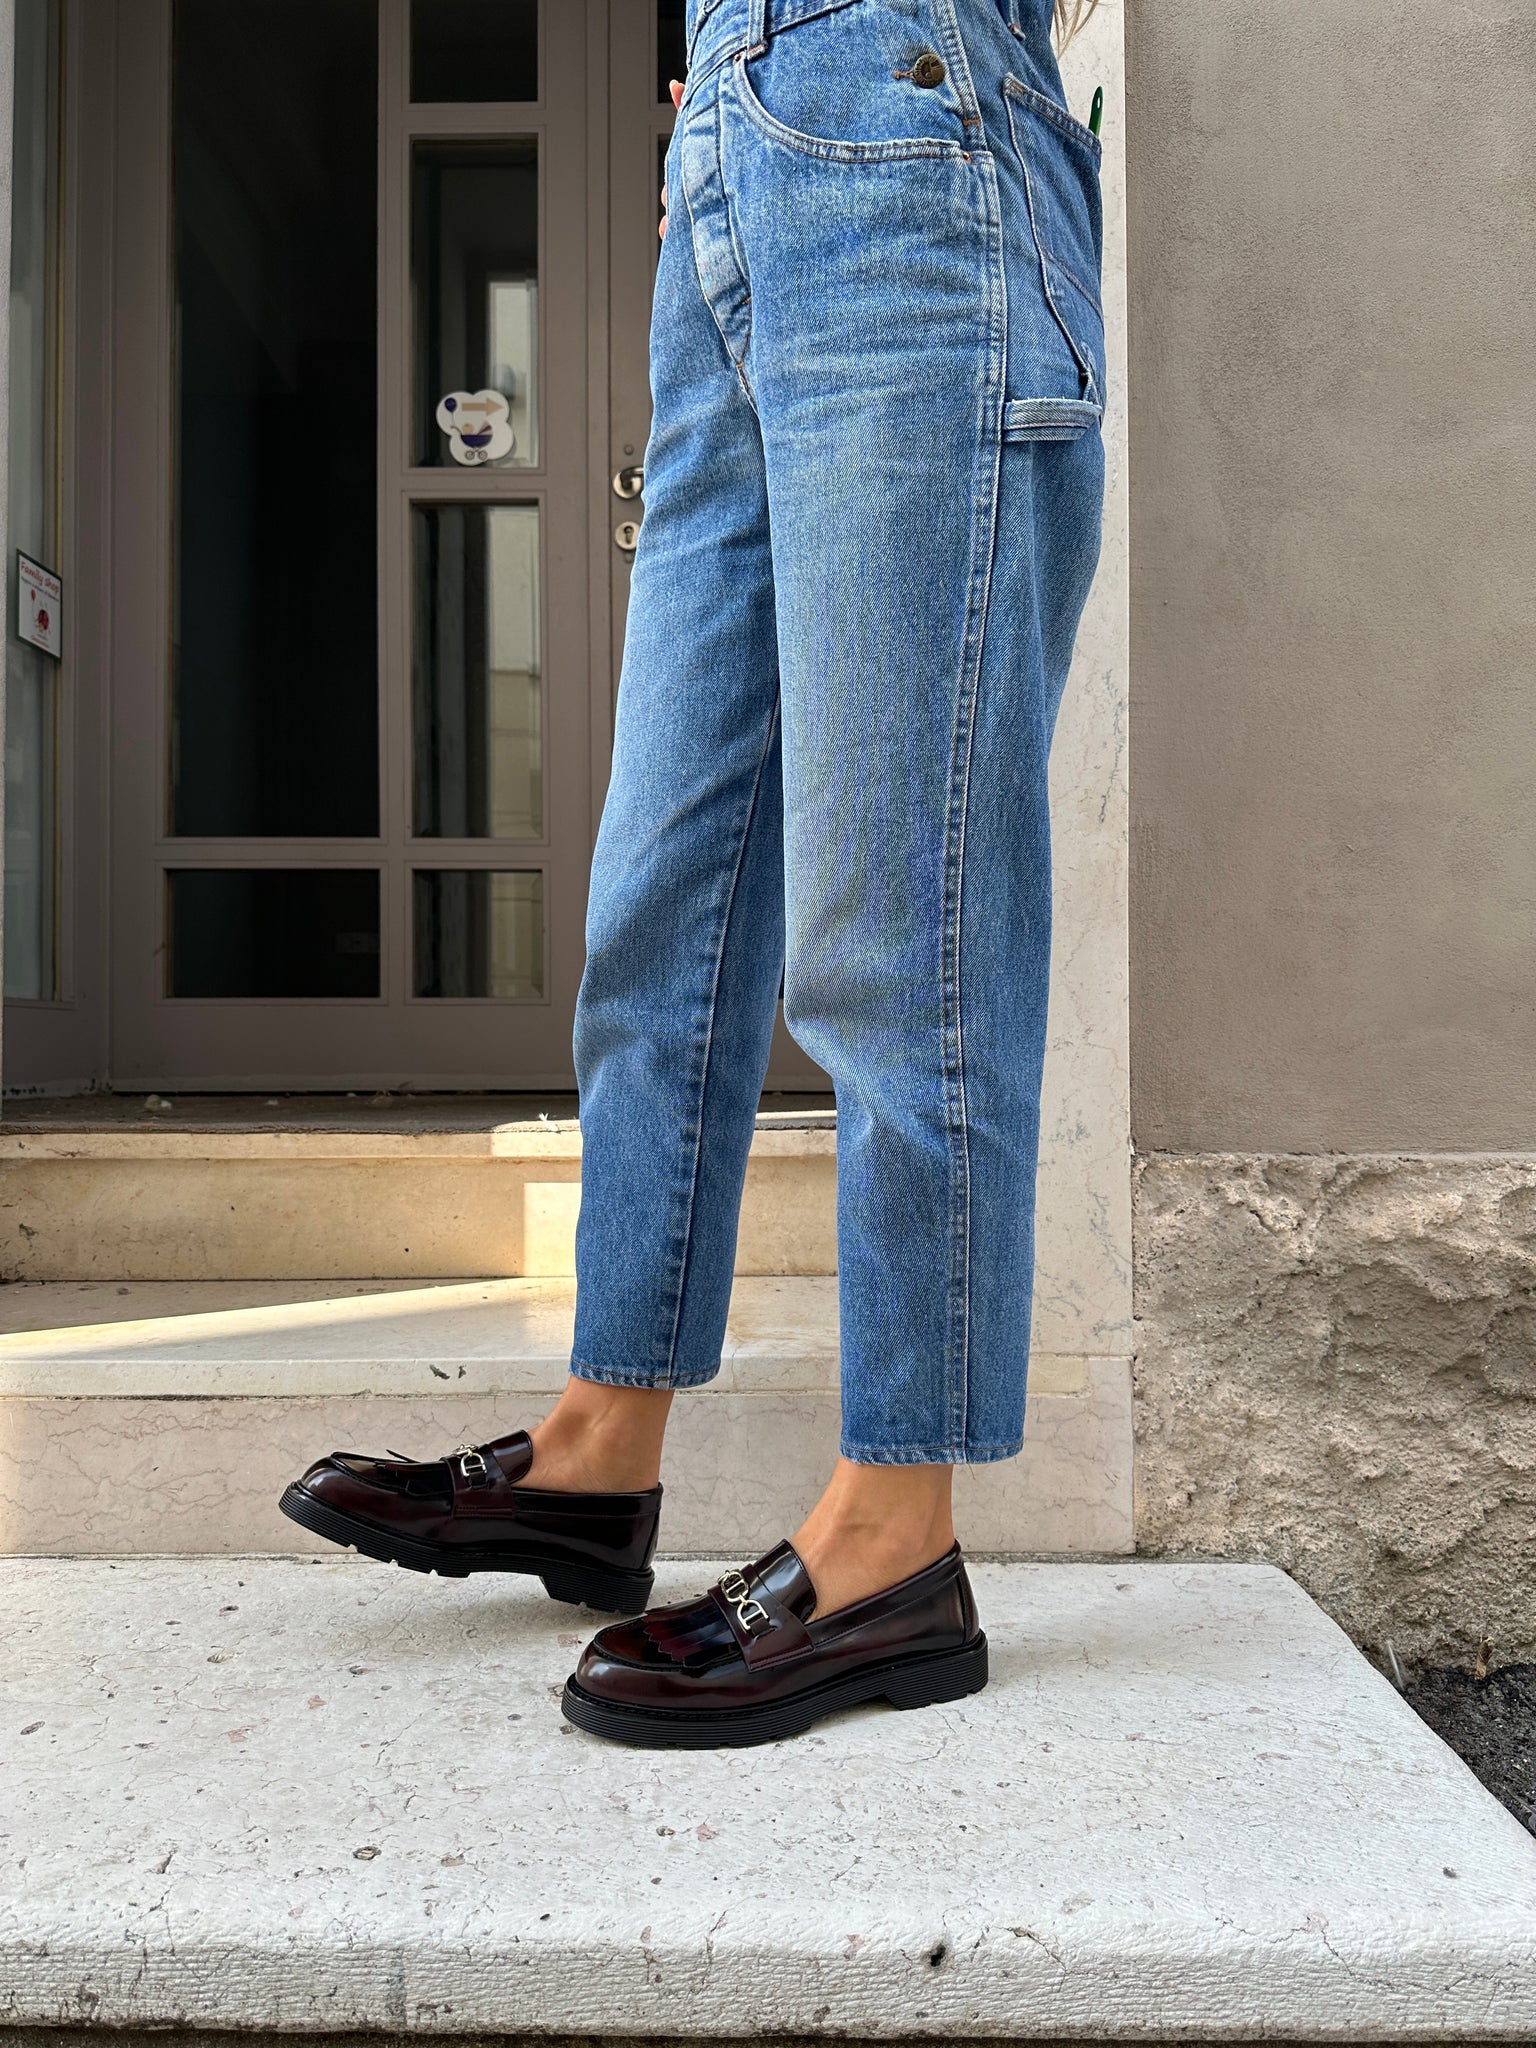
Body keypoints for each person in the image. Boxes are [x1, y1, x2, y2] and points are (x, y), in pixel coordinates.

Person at [281, 0, 1105, 1749]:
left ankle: (896, 1535)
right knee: (669, 902)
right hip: (741, 147)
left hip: (910, 122)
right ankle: (601, 1448)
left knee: (901, 919)